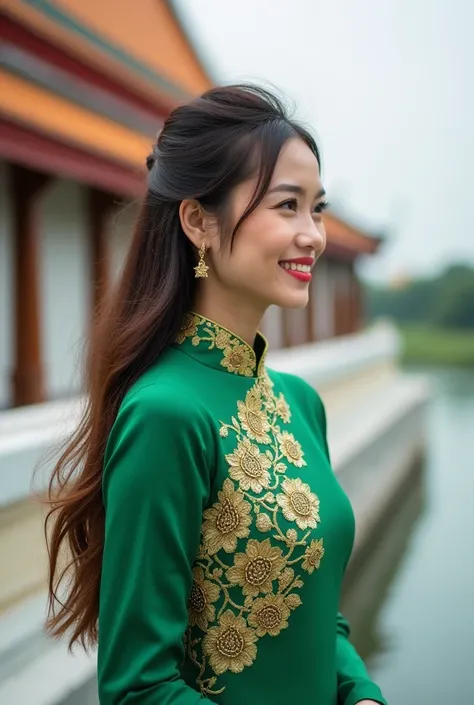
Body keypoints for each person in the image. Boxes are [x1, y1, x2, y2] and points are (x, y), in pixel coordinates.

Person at [44, 84, 387, 705]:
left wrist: (361, 693)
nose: (313, 234)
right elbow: (138, 688)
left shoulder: (299, 403)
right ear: (199, 220)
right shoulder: (165, 414)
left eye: (318, 208)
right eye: (287, 206)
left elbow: (316, 616)